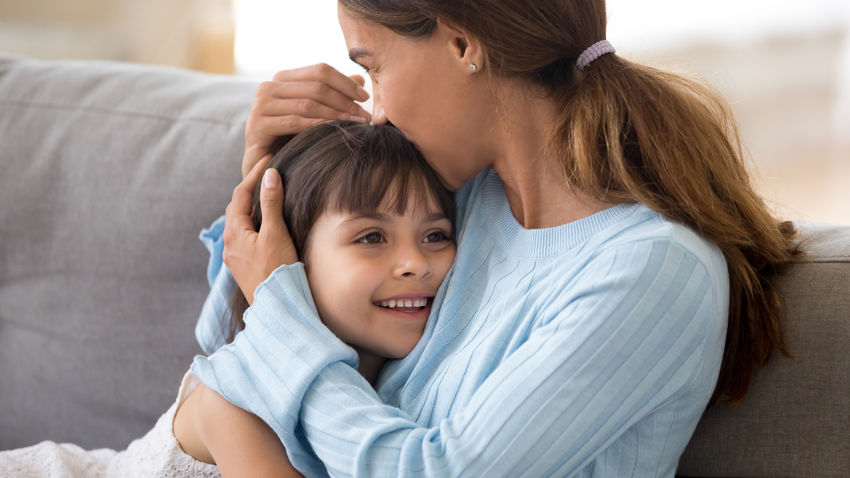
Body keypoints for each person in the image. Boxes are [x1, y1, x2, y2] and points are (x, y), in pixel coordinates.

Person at [191, 1, 802, 476]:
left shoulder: (650, 271)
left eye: (373, 66)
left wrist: (278, 299)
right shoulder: (462, 200)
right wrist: (272, 180)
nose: (375, 111)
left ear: (461, 43)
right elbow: (226, 351)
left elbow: (435, 471)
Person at [0, 121, 457, 478]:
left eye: (435, 235)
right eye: (372, 237)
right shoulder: (237, 398)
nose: (415, 262)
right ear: (289, 257)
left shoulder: (419, 379)